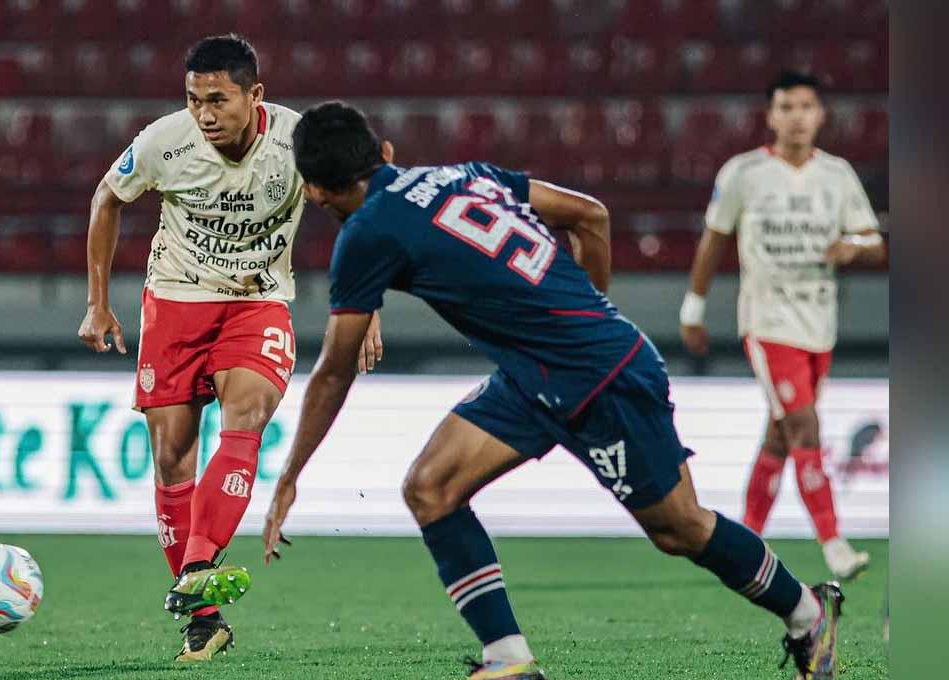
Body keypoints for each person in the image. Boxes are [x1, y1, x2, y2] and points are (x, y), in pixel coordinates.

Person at [261, 101, 843, 680]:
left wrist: (289, 475)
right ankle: (509, 661)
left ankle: (807, 613)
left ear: (314, 191)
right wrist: (588, 313)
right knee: (431, 487)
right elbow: (589, 215)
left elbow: (336, 369)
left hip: (601, 378)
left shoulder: (365, 232)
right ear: (385, 153)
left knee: (679, 527)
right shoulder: (464, 174)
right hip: (536, 375)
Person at [76, 36, 382, 662]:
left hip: (257, 301)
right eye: (194, 100)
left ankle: (193, 568)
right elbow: (107, 198)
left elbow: (359, 208)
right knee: (171, 459)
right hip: (175, 301)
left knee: (245, 420)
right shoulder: (166, 141)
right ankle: (205, 620)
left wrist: (367, 306)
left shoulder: (298, 143)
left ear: (255, 96)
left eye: (218, 99)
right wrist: (97, 302)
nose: (205, 114)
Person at [680, 70, 884, 581]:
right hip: (768, 322)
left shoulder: (836, 174)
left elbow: (873, 238)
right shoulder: (743, 173)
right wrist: (693, 308)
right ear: (771, 116)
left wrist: (852, 247)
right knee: (804, 425)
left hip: (819, 321)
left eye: (806, 107)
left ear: (820, 115)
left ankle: (742, 540)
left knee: (779, 434)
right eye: (786, 107)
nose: (797, 117)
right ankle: (833, 542)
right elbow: (714, 239)